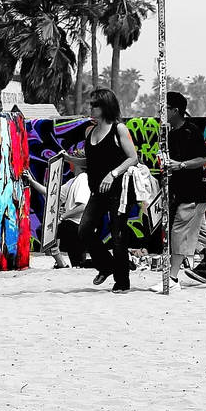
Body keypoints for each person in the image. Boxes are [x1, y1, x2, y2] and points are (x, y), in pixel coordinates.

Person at [73, 86, 139, 293]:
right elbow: (90, 161)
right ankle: (107, 265)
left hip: (119, 191)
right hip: (97, 191)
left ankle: (122, 282)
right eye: (90, 104)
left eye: (95, 105)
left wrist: (113, 173)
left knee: (118, 235)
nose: (91, 108)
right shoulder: (89, 131)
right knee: (83, 229)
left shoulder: (118, 129)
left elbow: (133, 157)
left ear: (106, 106)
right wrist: (68, 159)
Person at [161, 91, 206, 287]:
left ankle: (172, 278)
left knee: (178, 232)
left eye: (165, 108)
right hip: (182, 191)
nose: (162, 112)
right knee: (204, 236)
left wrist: (180, 165)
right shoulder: (170, 133)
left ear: (175, 110)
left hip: (193, 192)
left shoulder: (190, 131)